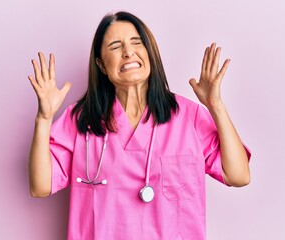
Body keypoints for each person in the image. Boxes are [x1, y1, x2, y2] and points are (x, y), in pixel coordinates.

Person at [27, 11, 251, 240]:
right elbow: (40, 186)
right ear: (101, 65)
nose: (128, 52)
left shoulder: (188, 116)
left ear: (150, 53)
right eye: (115, 46)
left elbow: (238, 175)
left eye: (137, 42)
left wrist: (216, 106)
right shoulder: (82, 120)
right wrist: (43, 118)